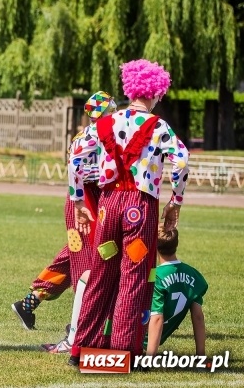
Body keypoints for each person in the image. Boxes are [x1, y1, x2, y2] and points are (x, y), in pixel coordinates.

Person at [66, 59, 189, 365]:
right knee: (133, 278)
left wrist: (78, 201)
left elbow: (75, 157)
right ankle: (122, 352)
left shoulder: (106, 123)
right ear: (156, 92)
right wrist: (175, 201)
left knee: (101, 274)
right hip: (140, 208)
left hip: (107, 207)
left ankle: (82, 349)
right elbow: (182, 160)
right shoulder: (158, 126)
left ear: (131, 89)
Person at [12, 92, 117, 353]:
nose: (116, 114)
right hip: (84, 200)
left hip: (89, 199)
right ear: (103, 113)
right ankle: (78, 327)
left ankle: (31, 302)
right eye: (112, 110)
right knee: (86, 261)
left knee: (79, 255)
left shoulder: (98, 134)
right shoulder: (94, 136)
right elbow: (78, 167)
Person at [145, 226, 207, 356]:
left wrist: (149, 358)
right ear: (176, 243)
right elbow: (198, 317)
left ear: (154, 245)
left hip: (140, 339)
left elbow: (157, 318)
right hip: (159, 335)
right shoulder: (193, 274)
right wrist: (201, 355)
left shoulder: (155, 276)